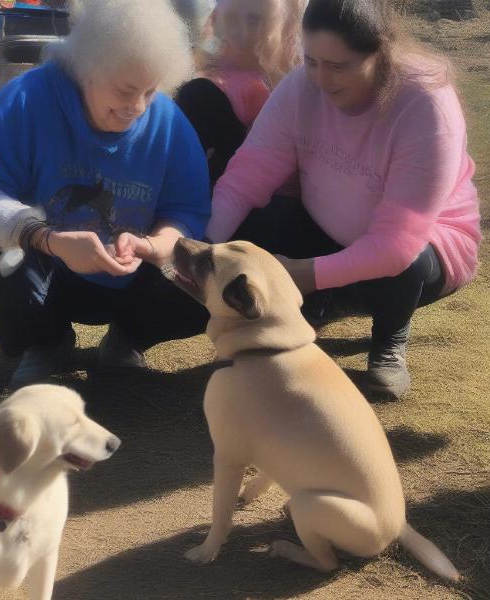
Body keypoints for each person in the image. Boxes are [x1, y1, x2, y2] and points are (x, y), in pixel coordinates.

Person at [206, 0, 481, 400]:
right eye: (312, 61)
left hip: (423, 250)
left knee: (405, 262)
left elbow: (394, 246)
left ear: (380, 53)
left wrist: (300, 274)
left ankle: (388, 340)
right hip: (327, 229)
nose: (321, 79)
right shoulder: (302, 86)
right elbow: (246, 177)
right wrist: (205, 248)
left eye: (339, 66)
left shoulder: (425, 103)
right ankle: (319, 304)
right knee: (260, 218)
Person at [0, 0, 211, 389]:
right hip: (46, 270)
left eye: (150, 91)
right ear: (85, 68)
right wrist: (48, 239)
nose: (137, 108)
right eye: (126, 91)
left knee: (206, 269)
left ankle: (129, 339)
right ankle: (46, 343)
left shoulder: (169, 121)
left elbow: (186, 210)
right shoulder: (27, 99)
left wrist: (157, 245)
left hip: (133, 277)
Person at [176, 0, 305, 186]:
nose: (239, 32)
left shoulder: (292, 85)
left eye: (254, 20)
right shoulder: (209, 76)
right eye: (231, 18)